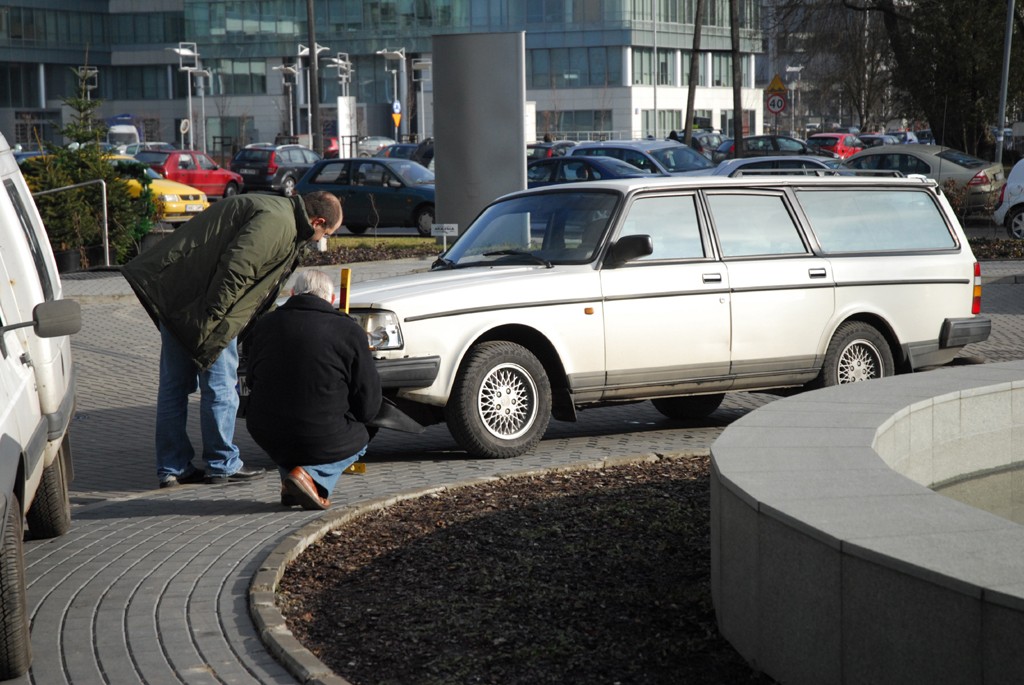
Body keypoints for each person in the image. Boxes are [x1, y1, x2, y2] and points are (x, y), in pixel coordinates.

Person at [122, 191, 343, 488]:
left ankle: (172, 468)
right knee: (221, 386)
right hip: (208, 309)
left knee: (174, 388)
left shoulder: (274, 209)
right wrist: (214, 316)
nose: (319, 241)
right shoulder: (279, 222)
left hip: (178, 300)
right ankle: (221, 463)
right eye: (324, 234)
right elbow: (238, 267)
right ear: (317, 220)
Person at [243, 269, 382, 510]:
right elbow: (368, 401)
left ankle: (291, 484)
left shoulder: (264, 325)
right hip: (321, 432)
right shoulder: (348, 330)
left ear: (293, 293)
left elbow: (252, 377)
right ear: (330, 300)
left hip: (265, 430)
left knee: (291, 432)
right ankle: (311, 477)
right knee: (362, 436)